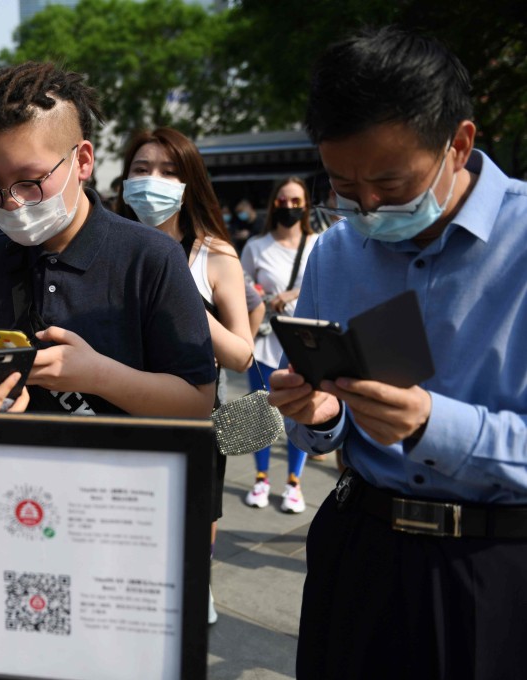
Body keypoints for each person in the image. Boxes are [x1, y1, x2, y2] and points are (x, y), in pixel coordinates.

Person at [266, 27, 527, 679]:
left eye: (389, 180)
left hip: (498, 564)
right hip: (361, 552)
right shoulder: (336, 253)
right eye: (344, 187)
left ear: (458, 144)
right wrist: (319, 416)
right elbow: (322, 431)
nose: (370, 206)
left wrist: (432, 424)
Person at [0, 62, 216, 419]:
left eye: (29, 180)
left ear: (82, 161)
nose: (11, 201)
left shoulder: (151, 258)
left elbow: (197, 402)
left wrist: (98, 375)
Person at [116, 126, 253, 624]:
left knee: (196, 512)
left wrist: (184, 298)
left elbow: (241, 354)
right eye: (141, 169)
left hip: (194, 413)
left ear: (189, 183)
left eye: (168, 172)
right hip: (117, 407)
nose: (152, 181)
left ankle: (198, 582)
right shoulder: (107, 244)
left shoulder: (214, 254)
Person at [240, 177, 319, 513]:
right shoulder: (256, 247)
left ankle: (294, 484)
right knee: (261, 413)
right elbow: (240, 290)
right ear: (274, 204)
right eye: (283, 201)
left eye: (295, 201)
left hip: (304, 343)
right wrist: (258, 297)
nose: (289, 207)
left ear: (306, 205)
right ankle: (261, 479)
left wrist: (294, 294)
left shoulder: (321, 243)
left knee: (300, 412)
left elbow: (325, 285)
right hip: (265, 345)